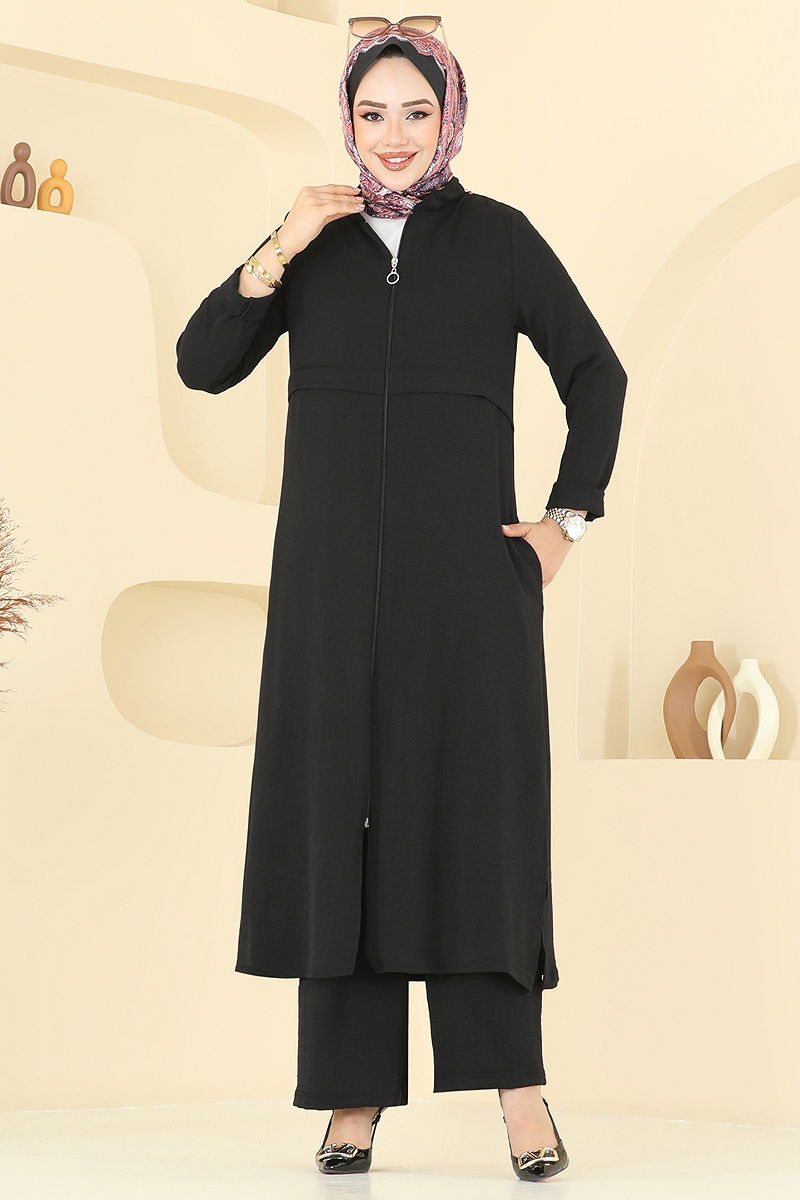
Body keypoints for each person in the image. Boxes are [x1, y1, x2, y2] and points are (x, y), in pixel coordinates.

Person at [175, 17, 627, 1181]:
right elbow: (202, 361)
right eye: (371, 113)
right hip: (328, 593)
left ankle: (517, 1094)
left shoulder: (499, 239)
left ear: (447, 117)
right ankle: (350, 1098)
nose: (391, 135)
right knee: (343, 824)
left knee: (477, 827)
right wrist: (279, 242)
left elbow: (595, 372)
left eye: (414, 112)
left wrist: (564, 521)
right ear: (346, 119)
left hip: (466, 591)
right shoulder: (313, 243)